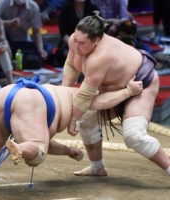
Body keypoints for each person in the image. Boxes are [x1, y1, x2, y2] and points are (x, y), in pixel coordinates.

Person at [0, 74, 142, 193]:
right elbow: (103, 101)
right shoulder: (88, 96)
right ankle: (20, 147)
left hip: (8, 91)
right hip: (33, 100)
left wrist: (67, 151)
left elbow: (43, 139)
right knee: (37, 150)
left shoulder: (66, 91)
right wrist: (128, 91)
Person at [61, 11, 170, 176]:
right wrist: (63, 92)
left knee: (133, 135)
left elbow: (85, 98)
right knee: (86, 118)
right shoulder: (75, 41)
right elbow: (71, 65)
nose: (76, 46)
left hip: (141, 84)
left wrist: (72, 119)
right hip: (114, 87)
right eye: (75, 39)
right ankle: (98, 168)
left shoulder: (101, 57)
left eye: (81, 43)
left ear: (96, 40)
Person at [53, 0, 98, 67]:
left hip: (89, 44)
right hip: (71, 44)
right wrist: (75, 45)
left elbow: (98, 30)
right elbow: (64, 34)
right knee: (66, 56)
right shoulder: (65, 9)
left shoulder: (93, 9)